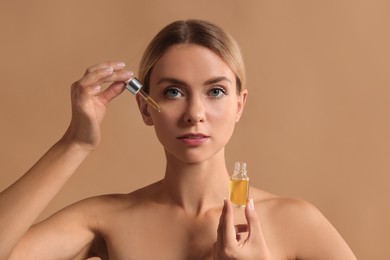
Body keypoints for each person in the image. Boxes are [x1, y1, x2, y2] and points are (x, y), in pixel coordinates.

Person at [0, 19, 356, 260]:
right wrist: (75, 143)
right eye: (173, 92)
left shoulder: (294, 221)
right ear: (145, 107)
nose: (195, 113)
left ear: (239, 104)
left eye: (215, 91)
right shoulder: (106, 219)